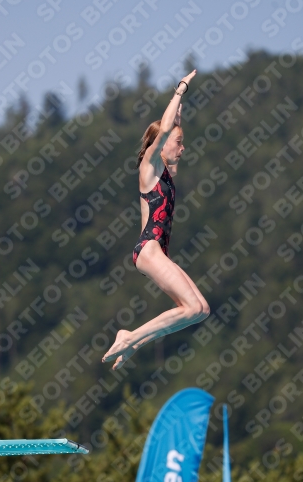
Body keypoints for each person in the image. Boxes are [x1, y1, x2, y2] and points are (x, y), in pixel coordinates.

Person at [102, 70, 210, 370]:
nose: (183, 147)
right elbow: (165, 129)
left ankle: (133, 341)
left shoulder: (167, 172)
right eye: (179, 142)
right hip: (148, 249)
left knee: (200, 309)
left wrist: (179, 115)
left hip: (157, 252)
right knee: (191, 306)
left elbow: (172, 126)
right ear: (160, 145)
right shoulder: (149, 168)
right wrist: (180, 90)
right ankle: (129, 337)